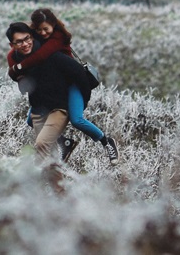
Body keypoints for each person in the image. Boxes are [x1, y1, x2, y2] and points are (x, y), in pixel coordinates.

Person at [7, 11, 119, 165]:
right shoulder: (34, 37)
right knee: (30, 120)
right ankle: (64, 143)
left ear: (53, 25)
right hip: (58, 82)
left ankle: (106, 141)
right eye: (39, 30)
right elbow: (15, 51)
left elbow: (39, 57)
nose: (43, 33)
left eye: (46, 29)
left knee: (77, 119)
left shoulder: (57, 39)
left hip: (73, 81)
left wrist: (18, 67)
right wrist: (13, 69)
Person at [5, 22, 90, 162]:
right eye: (19, 42)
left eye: (27, 39)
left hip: (59, 107)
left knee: (42, 145)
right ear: (12, 45)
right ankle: (56, 179)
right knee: (50, 155)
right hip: (38, 109)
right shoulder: (17, 59)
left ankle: (32, 180)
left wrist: (84, 99)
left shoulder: (49, 54)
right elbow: (20, 80)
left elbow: (79, 71)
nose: (25, 44)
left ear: (32, 37)